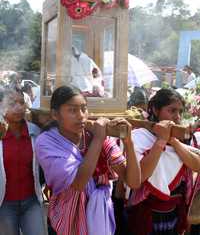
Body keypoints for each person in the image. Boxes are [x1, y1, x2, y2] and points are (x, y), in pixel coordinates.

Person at [35, 85, 141, 235]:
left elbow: (134, 182)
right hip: (66, 222)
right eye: (72, 110)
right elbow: (78, 183)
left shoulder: (98, 137)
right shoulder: (46, 142)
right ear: (55, 115)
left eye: (84, 109)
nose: (81, 116)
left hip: (100, 221)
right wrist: (98, 138)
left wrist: (129, 143)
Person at [127, 88, 200, 235]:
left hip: (174, 214)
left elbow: (197, 165)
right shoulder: (139, 137)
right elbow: (140, 176)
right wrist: (161, 141)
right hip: (146, 215)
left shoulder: (182, 139)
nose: (177, 117)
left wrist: (173, 141)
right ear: (155, 109)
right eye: (171, 111)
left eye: (180, 111)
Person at [0, 87, 47, 235]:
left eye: (22, 102)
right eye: (12, 103)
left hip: (31, 202)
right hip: (4, 205)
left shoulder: (35, 132)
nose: (19, 107)